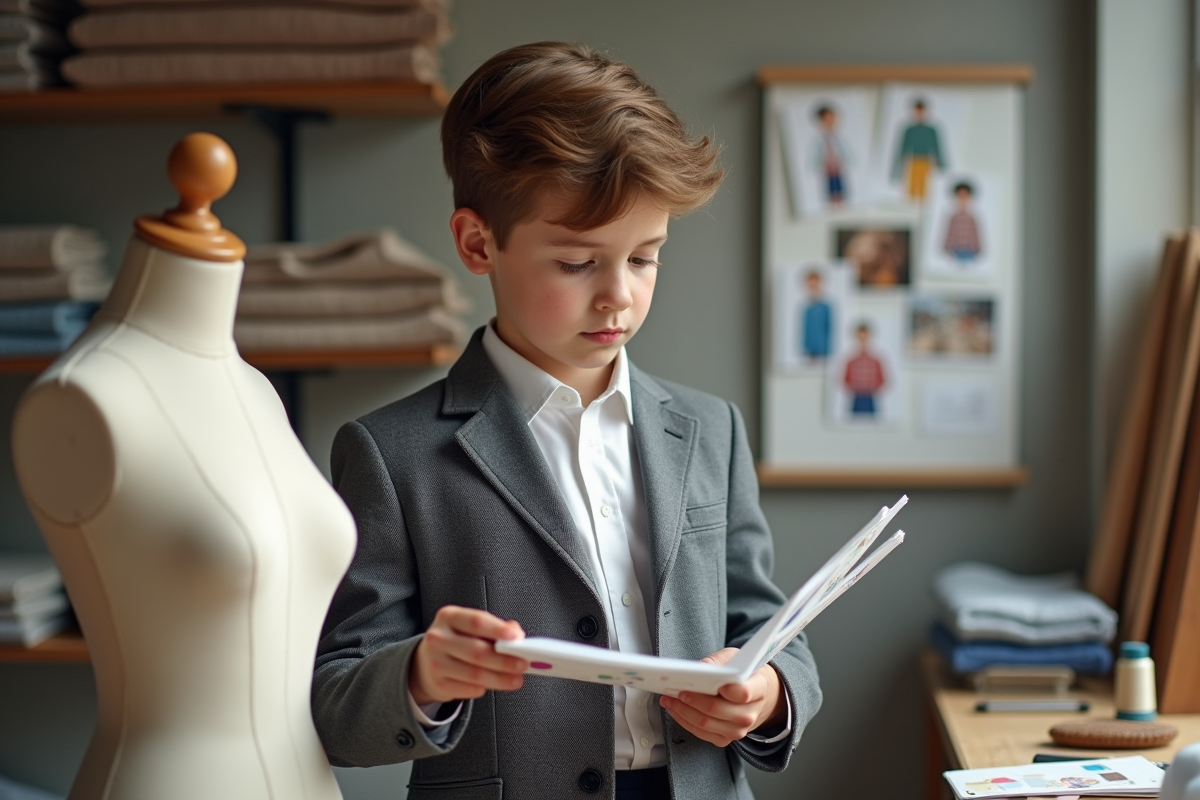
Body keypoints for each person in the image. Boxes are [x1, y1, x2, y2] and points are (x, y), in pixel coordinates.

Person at [311, 42, 822, 800]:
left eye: (645, 258)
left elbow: (769, 624)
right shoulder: (390, 453)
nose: (619, 295)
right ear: (478, 243)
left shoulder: (711, 429)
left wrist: (771, 691)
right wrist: (422, 674)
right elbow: (336, 705)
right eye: (579, 263)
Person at [891, 98, 945, 202]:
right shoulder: (909, 130)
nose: (919, 114)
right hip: (912, 161)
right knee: (911, 189)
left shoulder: (930, 130)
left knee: (924, 189)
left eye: (921, 111)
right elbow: (902, 148)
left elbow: (937, 146)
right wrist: (897, 168)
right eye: (917, 111)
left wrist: (941, 163)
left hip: (926, 161)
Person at [843, 323, 886, 416]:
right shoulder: (851, 361)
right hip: (856, 398)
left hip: (870, 398)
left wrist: (871, 389)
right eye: (860, 338)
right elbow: (845, 380)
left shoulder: (875, 361)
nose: (863, 341)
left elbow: (882, 380)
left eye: (865, 338)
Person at [812, 104, 849, 207]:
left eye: (833, 119)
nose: (831, 122)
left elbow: (845, 152)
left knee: (840, 185)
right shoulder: (818, 140)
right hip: (827, 168)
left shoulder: (839, 138)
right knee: (830, 187)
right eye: (827, 120)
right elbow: (816, 156)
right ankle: (833, 202)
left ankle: (840, 201)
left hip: (838, 167)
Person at [943, 181, 982, 261]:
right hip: (955, 252)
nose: (962, 199)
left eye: (965, 196)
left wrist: (976, 250)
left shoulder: (972, 219)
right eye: (960, 196)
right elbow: (949, 236)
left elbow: (976, 237)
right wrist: (949, 250)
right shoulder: (953, 218)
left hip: (970, 253)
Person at [800, 269, 832, 360]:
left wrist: (826, 351)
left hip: (822, 352)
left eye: (815, 283)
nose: (813, 286)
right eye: (811, 283)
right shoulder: (805, 306)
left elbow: (828, 329)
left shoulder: (825, 307)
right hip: (808, 352)